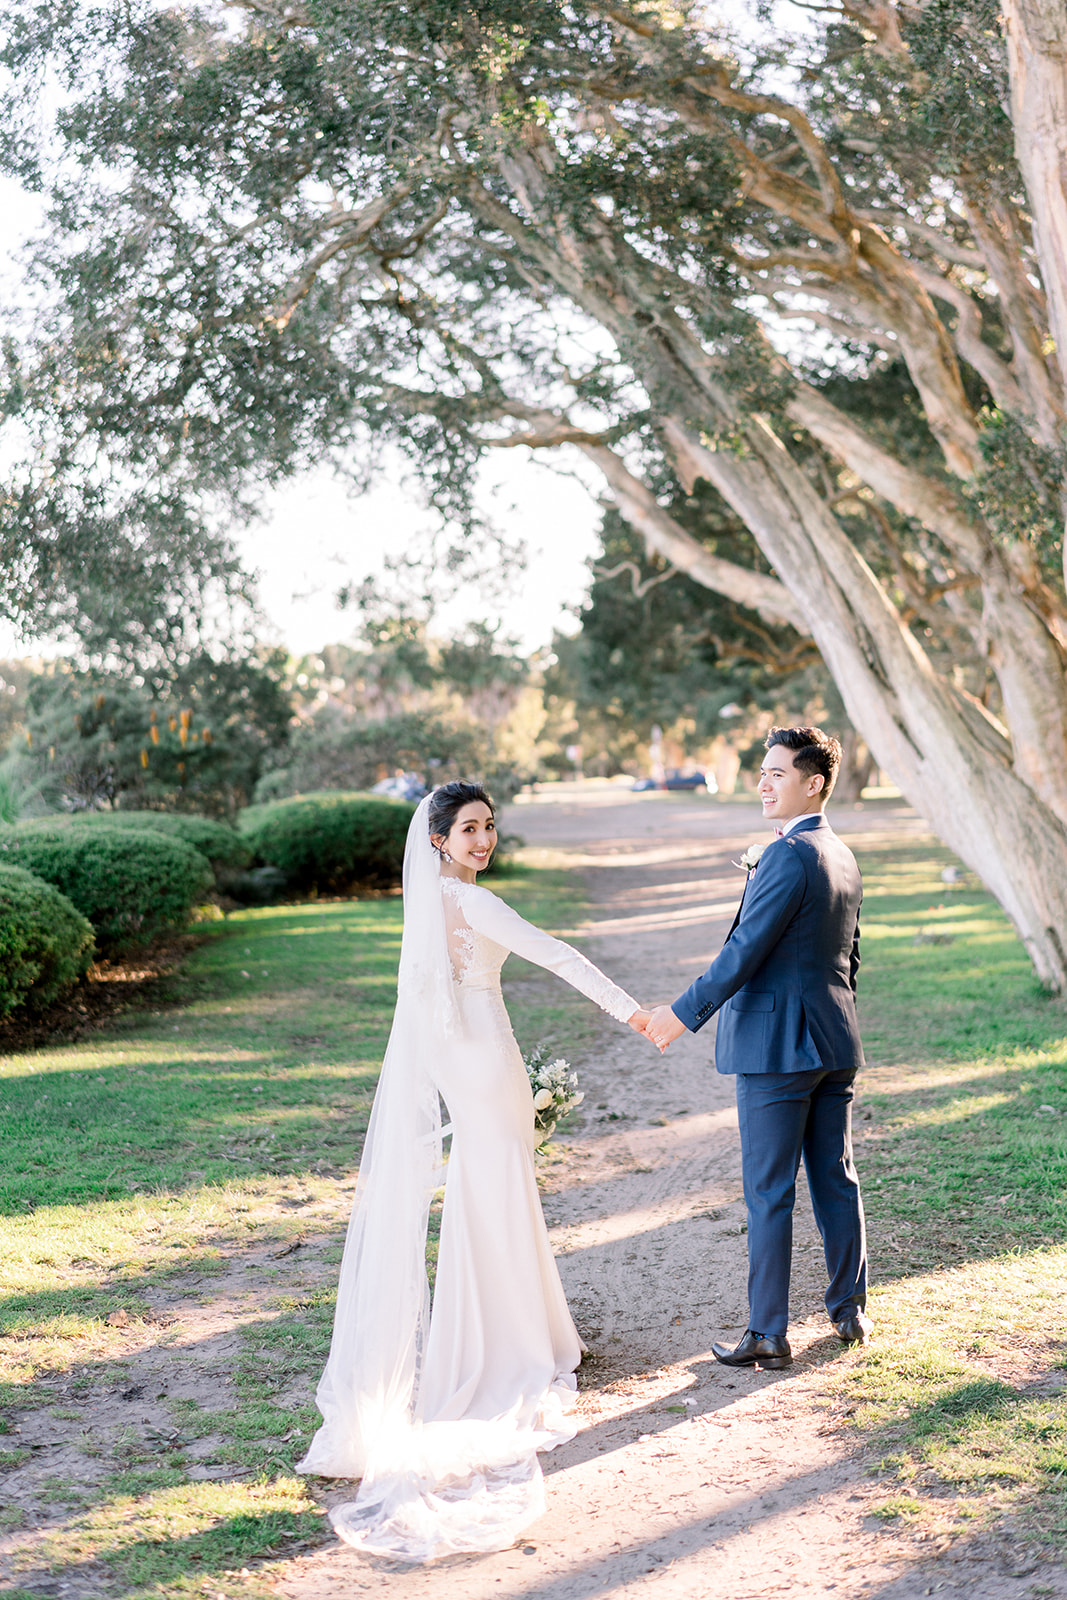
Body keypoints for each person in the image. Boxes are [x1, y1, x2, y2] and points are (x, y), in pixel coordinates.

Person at [298, 780, 648, 1561]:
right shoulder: (473, 903)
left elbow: (421, 1008)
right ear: (438, 841)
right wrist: (633, 1013)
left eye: (489, 826)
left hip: (463, 1067)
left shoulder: (427, 907)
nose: (483, 840)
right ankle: (512, 1349)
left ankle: (508, 1337)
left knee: (485, 1196)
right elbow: (558, 955)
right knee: (499, 1195)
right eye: (468, 829)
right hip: (488, 1065)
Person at [642, 726, 870, 1368]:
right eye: (763, 772)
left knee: (769, 1191)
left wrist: (680, 1015)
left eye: (777, 773)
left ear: (814, 783)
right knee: (835, 1176)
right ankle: (849, 1311)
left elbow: (744, 950)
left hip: (777, 1048)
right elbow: (850, 958)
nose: (764, 784)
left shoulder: (786, 855)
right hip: (834, 1039)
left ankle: (768, 1332)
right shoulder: (841, 853)